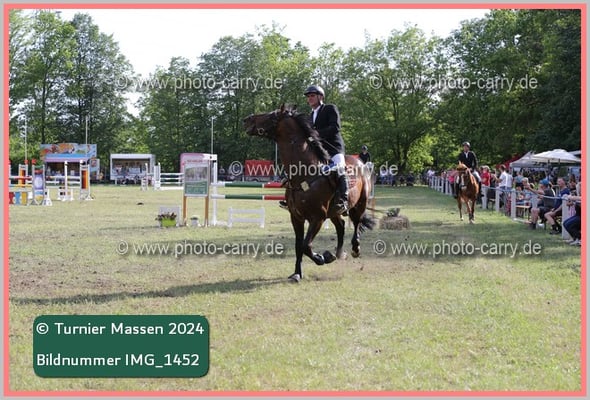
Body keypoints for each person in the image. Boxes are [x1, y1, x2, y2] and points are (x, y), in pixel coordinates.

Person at [279, 85, 348, 215]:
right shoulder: (310, 115)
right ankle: (293, 200)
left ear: (320, 97)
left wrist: (315, 135)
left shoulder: (329, 108)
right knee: (302, 171)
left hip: (333, 149)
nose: (309, 98)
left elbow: (335, 127)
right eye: (308, 96)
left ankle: (343, 200)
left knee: (340, 168)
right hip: (318, 152)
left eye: (312, 96)